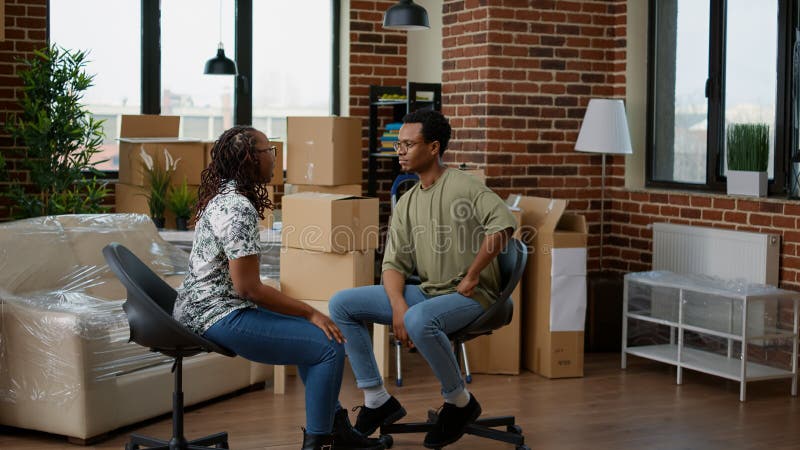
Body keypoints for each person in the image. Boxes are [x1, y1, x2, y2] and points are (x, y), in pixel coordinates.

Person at [173, 126, 385, 450]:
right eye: (268, 150)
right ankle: (320, 442)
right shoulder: (238, 208)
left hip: (205, 310)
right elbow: (249, 289)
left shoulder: (225, 198)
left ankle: (337, 431)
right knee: (328, 345)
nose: (274, 158)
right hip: (216, 316)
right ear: (249, 158)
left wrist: (306, 316)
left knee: (315, 339)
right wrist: (312, 312)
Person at [329, 110, 517, 449]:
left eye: (408, 144)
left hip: (476, 297)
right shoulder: (408, 201)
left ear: (433, 147)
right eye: (398, 144)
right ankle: (376, 399)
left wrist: (474, 274)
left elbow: (503, 226)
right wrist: (398, 305)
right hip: (430, 294)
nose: (400, 151)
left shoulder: (464, 185)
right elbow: (393, 264)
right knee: (342, 304)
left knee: (418, 318)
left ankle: (460, 402)